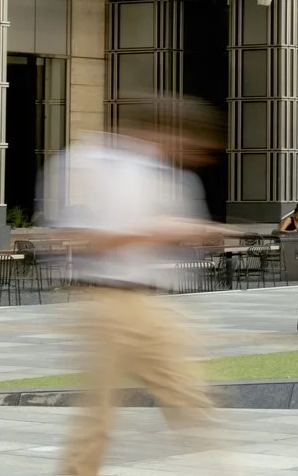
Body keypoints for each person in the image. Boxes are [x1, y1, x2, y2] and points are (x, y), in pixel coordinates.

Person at [41, 93, 236, 476]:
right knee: (98, 417)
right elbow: (82, 237)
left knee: (191, 398)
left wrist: (190, 234)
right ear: (166, 131)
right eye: (188, 142)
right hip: (104, 300)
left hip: (150, 303)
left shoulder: (167, 174)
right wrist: (164, 231)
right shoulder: (89, 161)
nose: (192, 153)